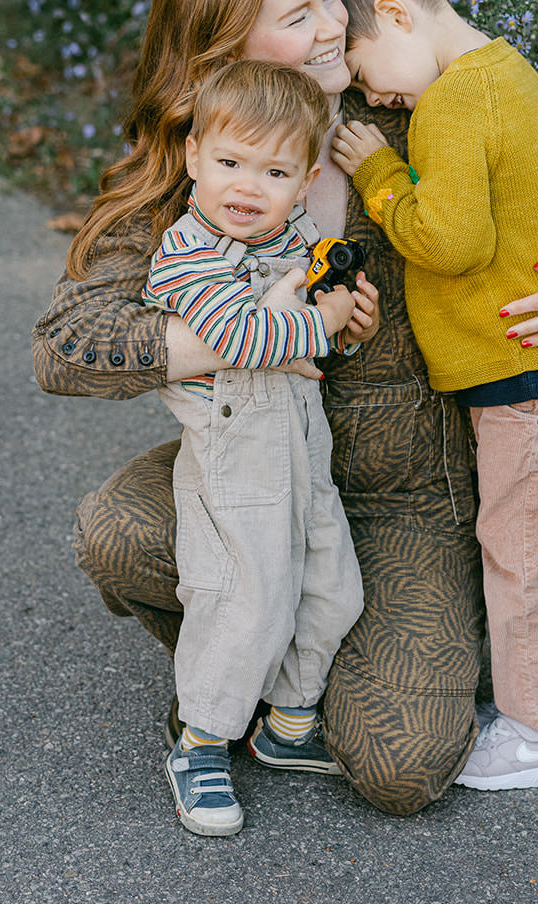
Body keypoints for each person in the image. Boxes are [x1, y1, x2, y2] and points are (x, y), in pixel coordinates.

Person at [31, 0, 538, 818]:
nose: (333, 30)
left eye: (329, 2)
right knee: (118, 530)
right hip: (255, 463)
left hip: (406, 490)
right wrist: (259, 334)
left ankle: (343, 652)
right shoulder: (207, 151)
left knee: (400, 767)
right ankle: (234, 682)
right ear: (227, 42)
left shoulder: (392, 104)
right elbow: (65, 344)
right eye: (299, 16)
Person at [327, 0, 538, 792]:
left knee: (520, 550)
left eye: (361, 63)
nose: (367, 89)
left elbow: (448, 242)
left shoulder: (448, 102)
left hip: (523, 378)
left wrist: (379, 172)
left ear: (392, 14)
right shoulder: (511, 73)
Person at [143, 59, 373, 836]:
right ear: (194, 158)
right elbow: (241, 336)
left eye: (272, 170)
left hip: (302, 442)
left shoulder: (298, 234)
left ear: (306, 179)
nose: (247, 186)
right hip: (234, 448)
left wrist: (344, 319)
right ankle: (201, 738)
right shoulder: (188, 253)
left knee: (331, 584)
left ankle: (286, 722)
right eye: (229, 162)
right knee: (245, 597)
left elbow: (307, 338)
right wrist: (324, 322)